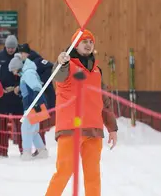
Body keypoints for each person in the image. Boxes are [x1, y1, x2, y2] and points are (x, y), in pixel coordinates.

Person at [45, 29, 118, 196]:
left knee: (93, 177)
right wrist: (61, 62)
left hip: (94, 129)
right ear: (75, 45)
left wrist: (112, 128)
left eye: (91, 41)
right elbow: (58, 76)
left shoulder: (97, 71)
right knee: (63, 173)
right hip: (71, 129)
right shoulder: (67, 66)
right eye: (84, 41)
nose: (88, 44)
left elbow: (104, 102)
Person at [8, 53, 48, 160]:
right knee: (33, 130)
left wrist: (35, 104)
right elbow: (30, 90)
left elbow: (36, 87)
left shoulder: (28, 73)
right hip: (34, 104)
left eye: (13, 70)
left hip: (34, 105)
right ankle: (42, 151)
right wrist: (21, 92)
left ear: (18, 67)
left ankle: (26, 153)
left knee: (25, 128)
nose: (13, 73)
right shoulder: (26, 73)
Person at [0, 35, 22, 157]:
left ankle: (23, 150)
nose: (11, 50)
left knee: (20, 122)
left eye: (13, 48)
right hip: (3, 93)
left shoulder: (21, 56)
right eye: (8, 48)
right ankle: (2, 151)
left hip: (17, 93)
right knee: (1, 123)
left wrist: (19, 86)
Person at [18, 44, 56, 143]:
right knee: (34, 124)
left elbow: (50, 66)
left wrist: (42, 81)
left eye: (22, 53)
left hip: (44, 95)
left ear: (27, 53)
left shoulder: (37, 61)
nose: (21, 55)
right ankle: (40, 148)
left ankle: (39, 148)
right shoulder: (26, 64)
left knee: (36, 125)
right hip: (35, 97)